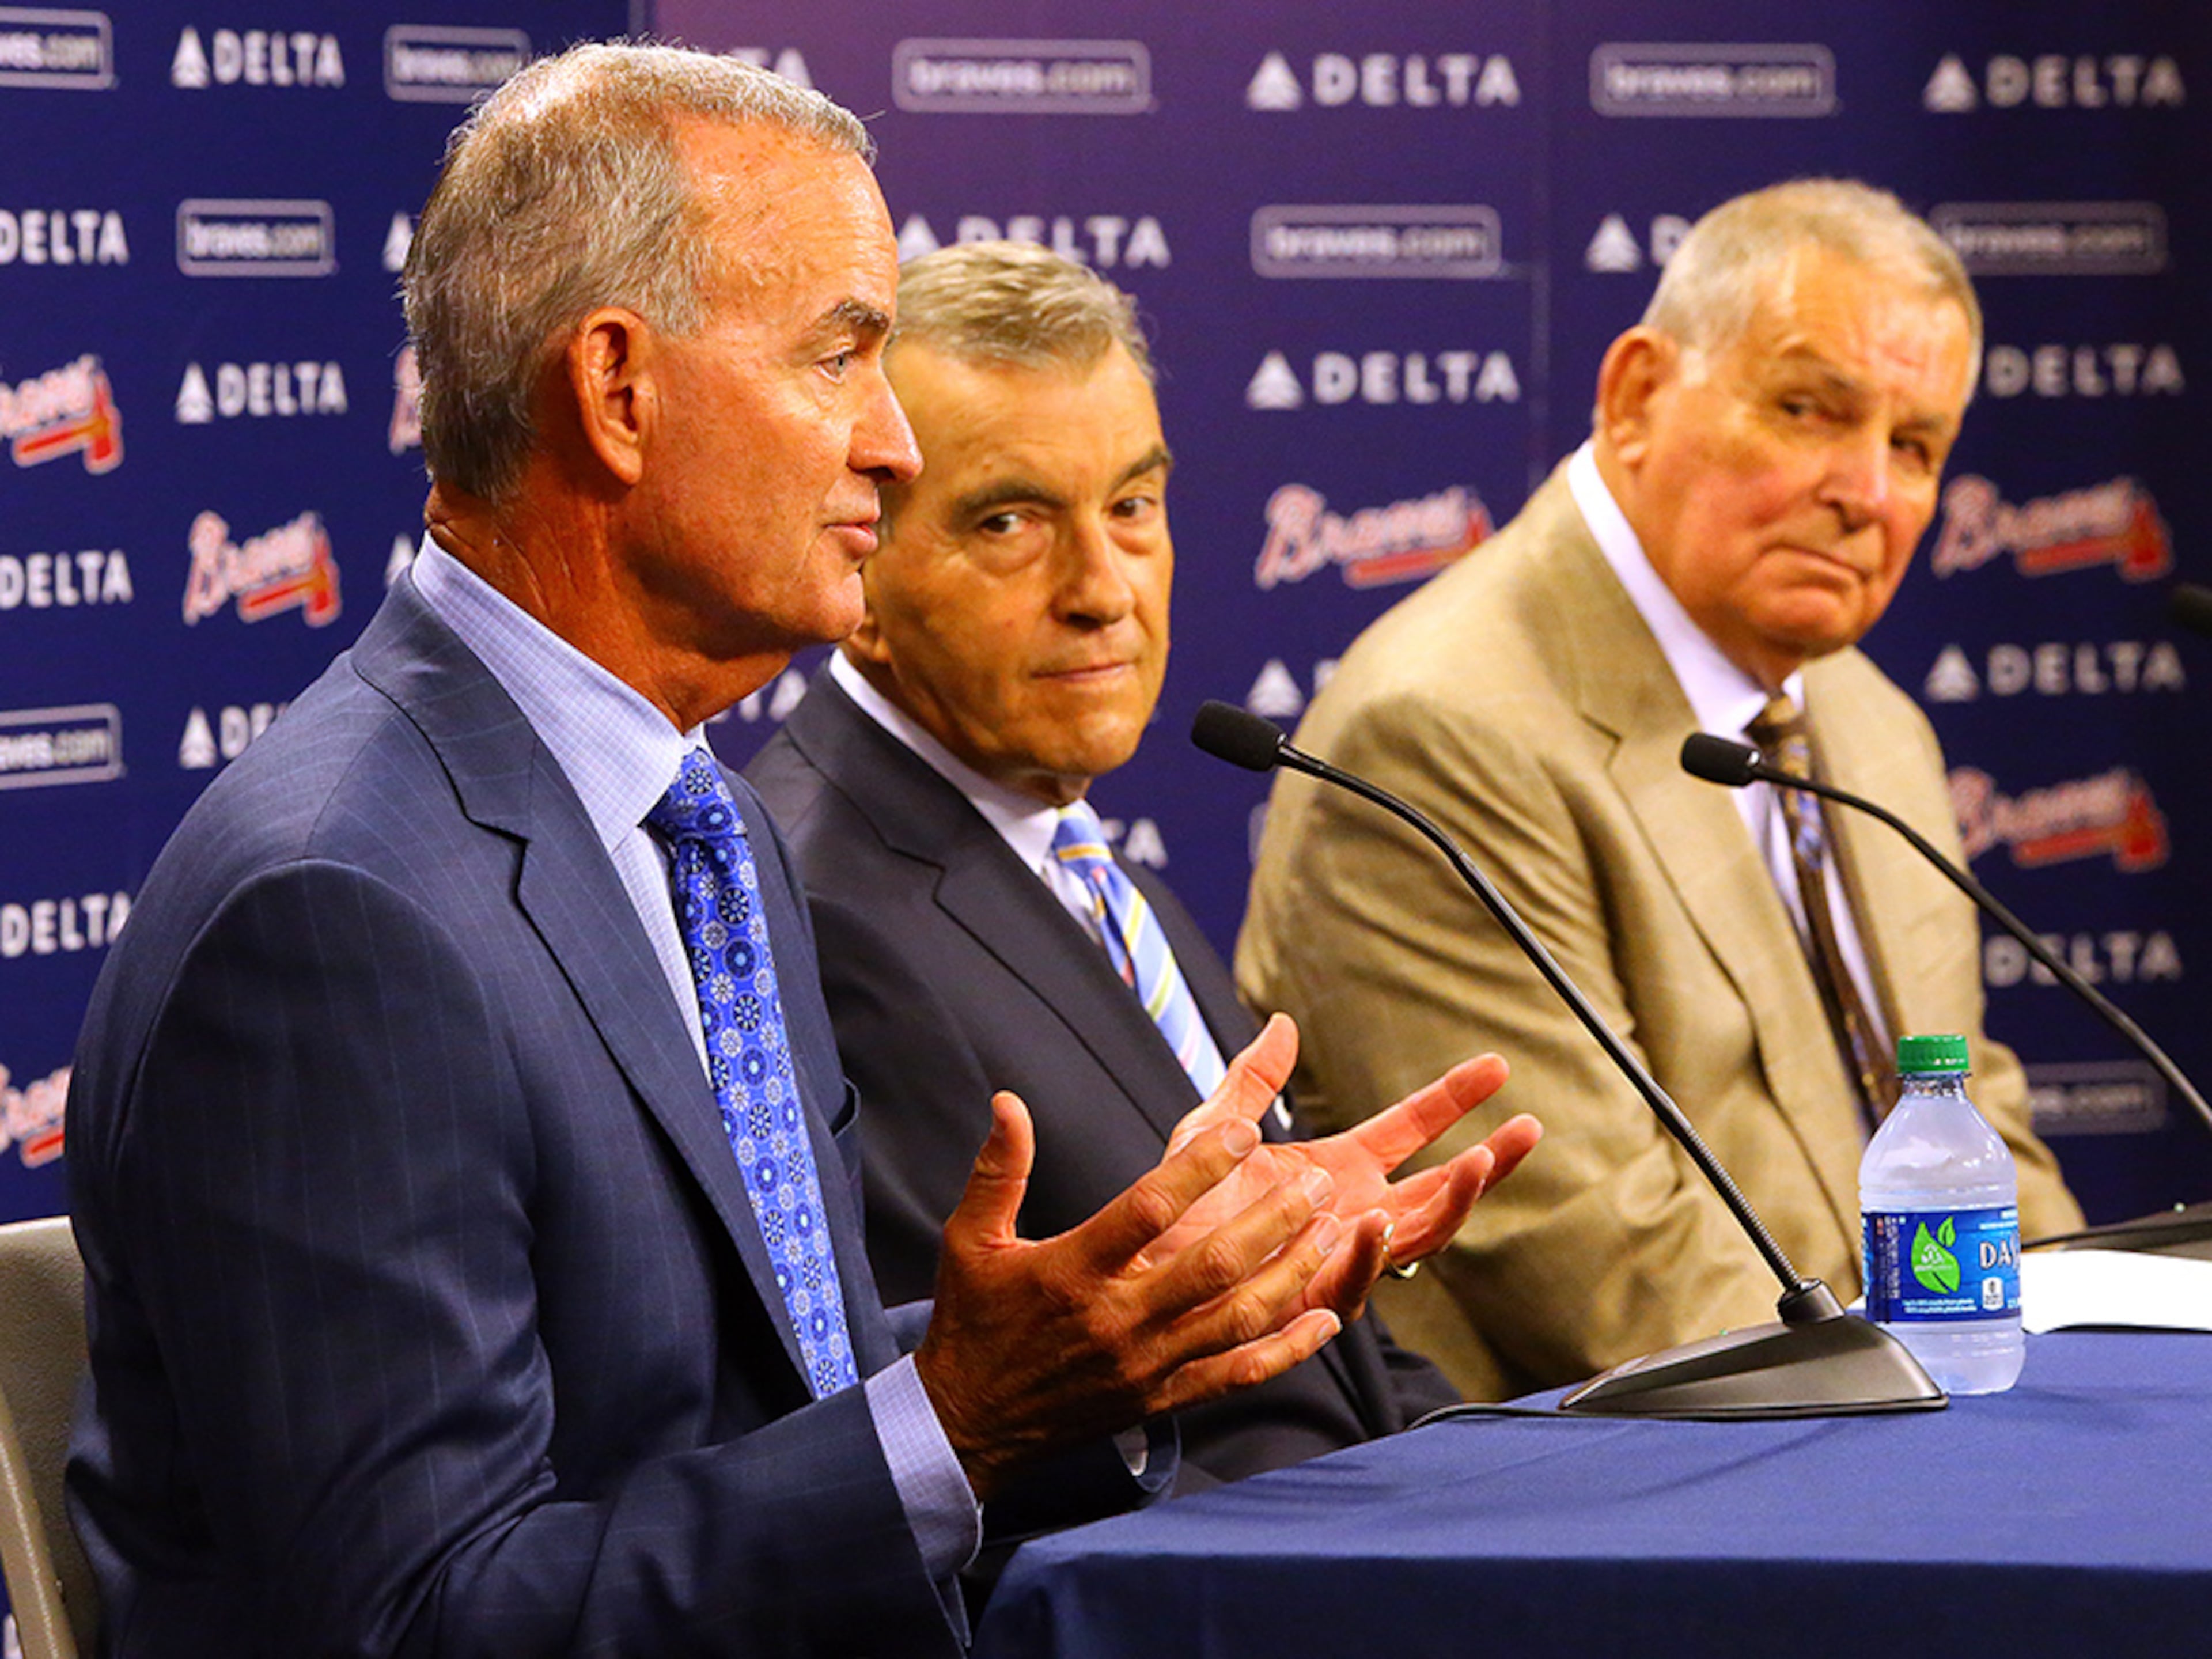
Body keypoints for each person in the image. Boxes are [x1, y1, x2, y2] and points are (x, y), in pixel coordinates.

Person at [64, 44, 1531, 1655]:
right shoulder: (336, 909)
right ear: (618, 394)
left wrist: (1122, 1327)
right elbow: (422, 1623)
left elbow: (760, 1386)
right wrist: (960, 1419)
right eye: (840, 356)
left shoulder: (707, 830)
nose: (893, 443)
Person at [1237, 179, 2084, 1402]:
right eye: (1809, 410)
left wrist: (2100, 1378)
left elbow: (1972, 1130)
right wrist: (1969, 1437)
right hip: (1619, 1506)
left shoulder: (1869, 720)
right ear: (1637, 396)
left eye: (1916, 448)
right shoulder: (1437, 733)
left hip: (1903, 1431)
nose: (1870, 493)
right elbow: (1609, 1271)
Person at [748, 242, 1533, 1490]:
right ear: (864, 571)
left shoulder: (1104, 879)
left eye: (1131, 507)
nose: (1104, 591)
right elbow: (966, 1452)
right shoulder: (818, 904)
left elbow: (1332, 1375)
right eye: (1009, 522)